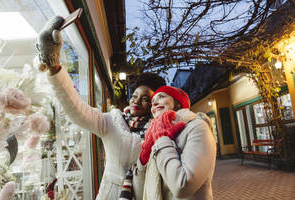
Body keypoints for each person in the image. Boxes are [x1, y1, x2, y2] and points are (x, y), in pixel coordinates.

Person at [36, 16, 166, 199]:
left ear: (154, 104)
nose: (136, 101)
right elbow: (77, 109)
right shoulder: (112, 121)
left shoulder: (161, 129)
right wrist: (53, 64)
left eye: (145, 99)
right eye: (135, 96)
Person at [133, 86, 217, 200]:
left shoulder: (197, 127)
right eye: (152, 102)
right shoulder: (156, 134)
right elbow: (140, 193)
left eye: (161, 97)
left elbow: (182, 186)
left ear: (177, 102)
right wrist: (144, 156)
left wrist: (162, 139)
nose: (155, 103)